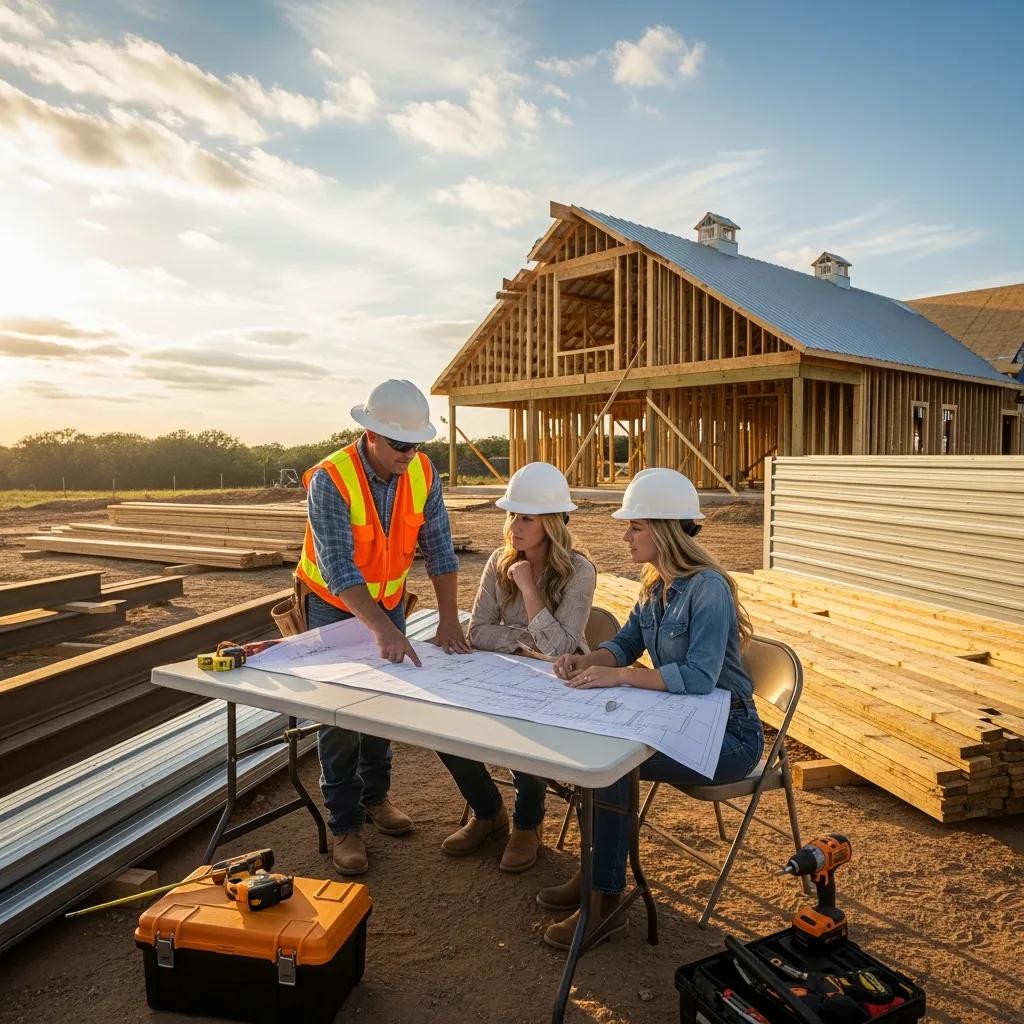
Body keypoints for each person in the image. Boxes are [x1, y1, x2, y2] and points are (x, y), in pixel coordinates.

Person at [539, 468, 762, 950]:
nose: (626, 535)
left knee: (610, 767)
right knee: (593, 757)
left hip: (728, 734)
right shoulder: (652, 585)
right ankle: (595, 876)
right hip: (681, 719)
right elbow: (625, 642)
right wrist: (590, 659)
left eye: (634, 526)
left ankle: (605, 904)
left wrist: (617, 675)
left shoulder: (709, 588)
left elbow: (700, 678)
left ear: (662, 529)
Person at [295, 379, 470, 876]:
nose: (410, 454)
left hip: (388, 599)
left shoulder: (423, 473)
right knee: (341, 711)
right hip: (333, 601)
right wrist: (382, 630)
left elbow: (440, 548)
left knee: (384, 704)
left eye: (417, 444)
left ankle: (376, 798)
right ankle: (345, 823)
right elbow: (338, 566)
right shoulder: (331, 478)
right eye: (400, 444)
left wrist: (450, 620)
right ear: (371, 434)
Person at [437, 462, 596, 873]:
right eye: (511, 515)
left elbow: (562, 649)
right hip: (504, 672)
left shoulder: (580, 570)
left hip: (560, 684)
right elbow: (479, 633)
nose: (513, 526)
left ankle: (529, 823)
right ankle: (488, 812)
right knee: (444, 727)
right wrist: (526, 640)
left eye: (526, 517)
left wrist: (527, 588)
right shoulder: (497, 560)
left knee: (527, 731)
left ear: (552, 522)